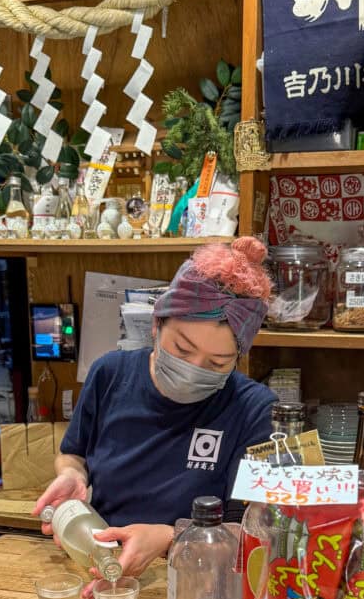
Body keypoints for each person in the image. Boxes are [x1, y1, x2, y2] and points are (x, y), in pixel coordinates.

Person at [34, 237, 275, 579]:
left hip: (198, 582)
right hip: (101, 569)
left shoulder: (254, 411)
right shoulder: (110, 374)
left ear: (239, 358)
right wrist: (72, 475)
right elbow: (73, 454)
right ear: (156, 324)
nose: (195, 369)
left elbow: (254, 534)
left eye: (218, 362)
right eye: (182, 349)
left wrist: (168, 538)